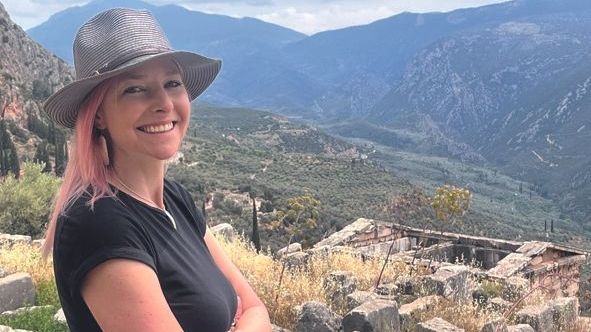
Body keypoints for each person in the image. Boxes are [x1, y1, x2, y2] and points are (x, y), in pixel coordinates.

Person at [41, 7, 271, 332]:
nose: (164, 103)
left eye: (172, 83)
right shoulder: (97, 225)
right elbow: (250, 315)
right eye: (135, 89)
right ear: (98, 116)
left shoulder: (175, 199)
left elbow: (256, 308)